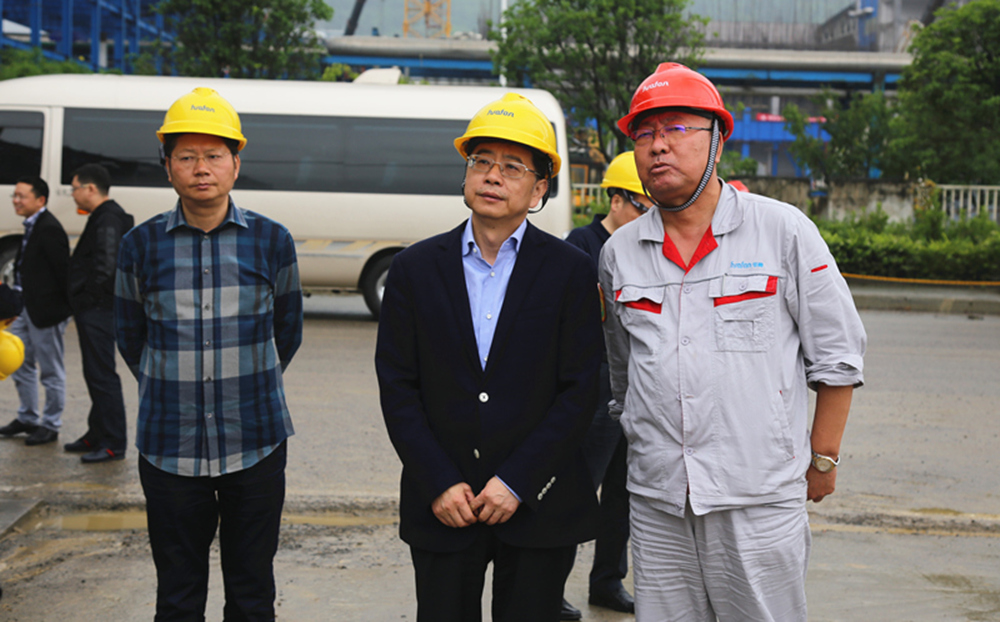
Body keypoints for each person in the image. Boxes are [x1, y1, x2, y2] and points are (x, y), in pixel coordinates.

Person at [599, 62, 867, 621]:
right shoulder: (619, 253)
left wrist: (822, 458)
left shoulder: (783, 231)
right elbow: (622, 373)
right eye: (644, 134)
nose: (658, 146)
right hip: (658, 502)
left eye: (676, 129)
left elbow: (837, 355)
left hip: (758, 497)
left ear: (718, 141)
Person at [375, 92, 603, 622]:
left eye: (513, 166)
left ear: (540, 187)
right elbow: (398, 386)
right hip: (444, 503)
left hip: (539, 502)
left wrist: (518, 480)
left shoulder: (570, 271)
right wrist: (438, 479)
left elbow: (579, 391)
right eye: (482, 162)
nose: (493, 176)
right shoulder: (413, 269)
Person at [114, 87, 303, 620]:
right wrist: (175, 386)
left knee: (252, 592)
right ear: (167, 167)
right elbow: (129, 335)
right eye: (187, 157)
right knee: (177, 594)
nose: (202, 169)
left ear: (235, 164)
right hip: (169, 447)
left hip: (255, 441)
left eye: (214, 155)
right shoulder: (139, 245)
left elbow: (287, 331)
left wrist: (242, 384)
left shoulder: (272, 240)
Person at [560, 151, 651, 620]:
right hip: (595, 386)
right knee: (578, 489)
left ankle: (608, 581)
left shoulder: (648, 248)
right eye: (641, 206)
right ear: (615, 199)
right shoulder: (582, 245)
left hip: (637, 385)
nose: (648, 216)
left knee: (624, 490)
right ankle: (549, 585)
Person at [65, 163, 134, 463]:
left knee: (102, 374)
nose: (72, 194)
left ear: (90, 188)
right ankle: (96, 432)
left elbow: (107, 264)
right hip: (95, 307)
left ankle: (113, 443)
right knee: (94, 372)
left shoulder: (108, 218)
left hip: (98, 309)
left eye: (74, 189)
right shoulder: (104, 215)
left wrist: (88, 299)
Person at [0, 176, 71, 446]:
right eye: (14, 196)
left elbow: (63, 273)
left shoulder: (50, 228)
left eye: (22, 196)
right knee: (19, 362)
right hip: (24, 308)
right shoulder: (32, 225)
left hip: (46, 312)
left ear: (40, 200)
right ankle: (27, 417)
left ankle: (51, 424)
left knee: (51, 370)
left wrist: (62, 311)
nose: (16, 201)